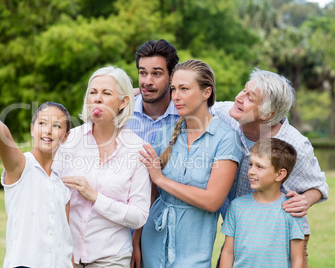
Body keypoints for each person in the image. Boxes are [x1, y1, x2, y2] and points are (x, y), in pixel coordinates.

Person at [211, 68, 329, 267]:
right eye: (244, 90)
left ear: (268, 114)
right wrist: (139, 95)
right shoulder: (225, 114)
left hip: (281, 235)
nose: (239, 97)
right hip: (240, 228)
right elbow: (190, 100)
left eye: (250, 97)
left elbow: (319, 186)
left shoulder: (295, 145)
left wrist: (304, 200)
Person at [0, 72, 74, 267]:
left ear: (66, 135)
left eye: (57, 126)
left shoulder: (62, 185)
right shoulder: (20, 166)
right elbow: (1, 132)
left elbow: (65, 236)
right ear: (32, 129)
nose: (48, 130)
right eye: (42, 123)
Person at [135, 59, 243, 267]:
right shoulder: (166, 134)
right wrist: (136, 239)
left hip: (194, 250)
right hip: (152, 241)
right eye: (174, 88)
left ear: (206, 92)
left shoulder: (226, 138)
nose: (176, 96)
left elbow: (212, 201)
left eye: (184, 89)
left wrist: (160, 179)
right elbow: (149, 195)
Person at [54, 66, 151, 267]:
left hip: (111, 257)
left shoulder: (137, 150)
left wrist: (95, 197)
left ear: (123, 102)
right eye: (93, 92)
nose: (97, 98)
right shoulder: (69, 141)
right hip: (64, 255)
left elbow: (139, 216)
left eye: (106, 93)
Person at [220, 138, 304, 268]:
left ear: (280, 174)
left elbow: (297, 259)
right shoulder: (236, 206)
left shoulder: (291, 209)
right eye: (251, 164)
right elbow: (228, 252)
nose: (251, 171)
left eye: (259, 166)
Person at [126, 39, 180, 144]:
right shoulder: (121, 112)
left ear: (172, 76)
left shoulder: (188, 113)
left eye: (156, 74)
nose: (147, 82)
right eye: (143, 73)